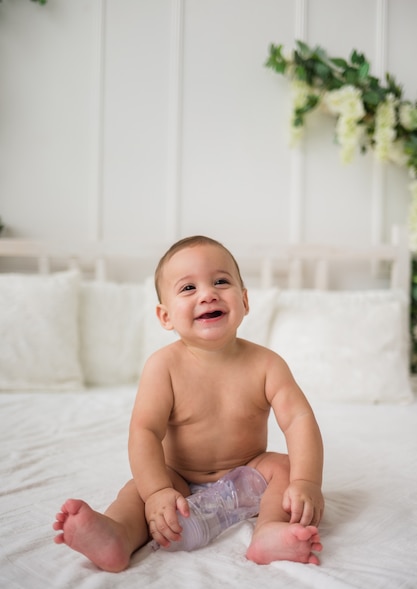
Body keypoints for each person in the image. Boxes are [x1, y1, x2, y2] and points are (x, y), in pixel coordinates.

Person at [53, 235, 324, 572]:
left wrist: (307, 483)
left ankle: (269, 530)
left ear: (244, 300)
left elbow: (299, 419)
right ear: (165, 316)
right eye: (187, 288)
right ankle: (117, 535)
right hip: (177, 477)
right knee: (137, 488)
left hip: (247, 475)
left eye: (220, 281)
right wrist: (156, 493)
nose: (207, 294)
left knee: (283, 468)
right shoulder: (162, 366)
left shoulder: (267, 365)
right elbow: (144, 431)